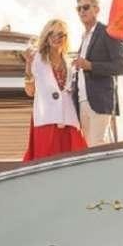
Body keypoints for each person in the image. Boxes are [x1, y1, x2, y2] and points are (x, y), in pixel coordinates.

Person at [22, 18, 87, 160]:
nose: (56, 38)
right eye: (52, 33)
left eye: (60, 34)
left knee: (74, 162)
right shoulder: (37, 59)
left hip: (68, 120)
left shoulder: (69, 62)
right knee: (45, 162)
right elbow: (30, 91)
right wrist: (28, 66)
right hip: (46, 119)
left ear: (65, 38)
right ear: (46, 36)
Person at [70, 0, 123, 146]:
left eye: (86, 7)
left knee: (97, 144)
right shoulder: (84, 38)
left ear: (96, 9)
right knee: (90, 147)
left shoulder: (108, 32)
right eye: (79, 9)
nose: (82, 11)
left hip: (100, 101)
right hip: (82, 101)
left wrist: (90, 65)